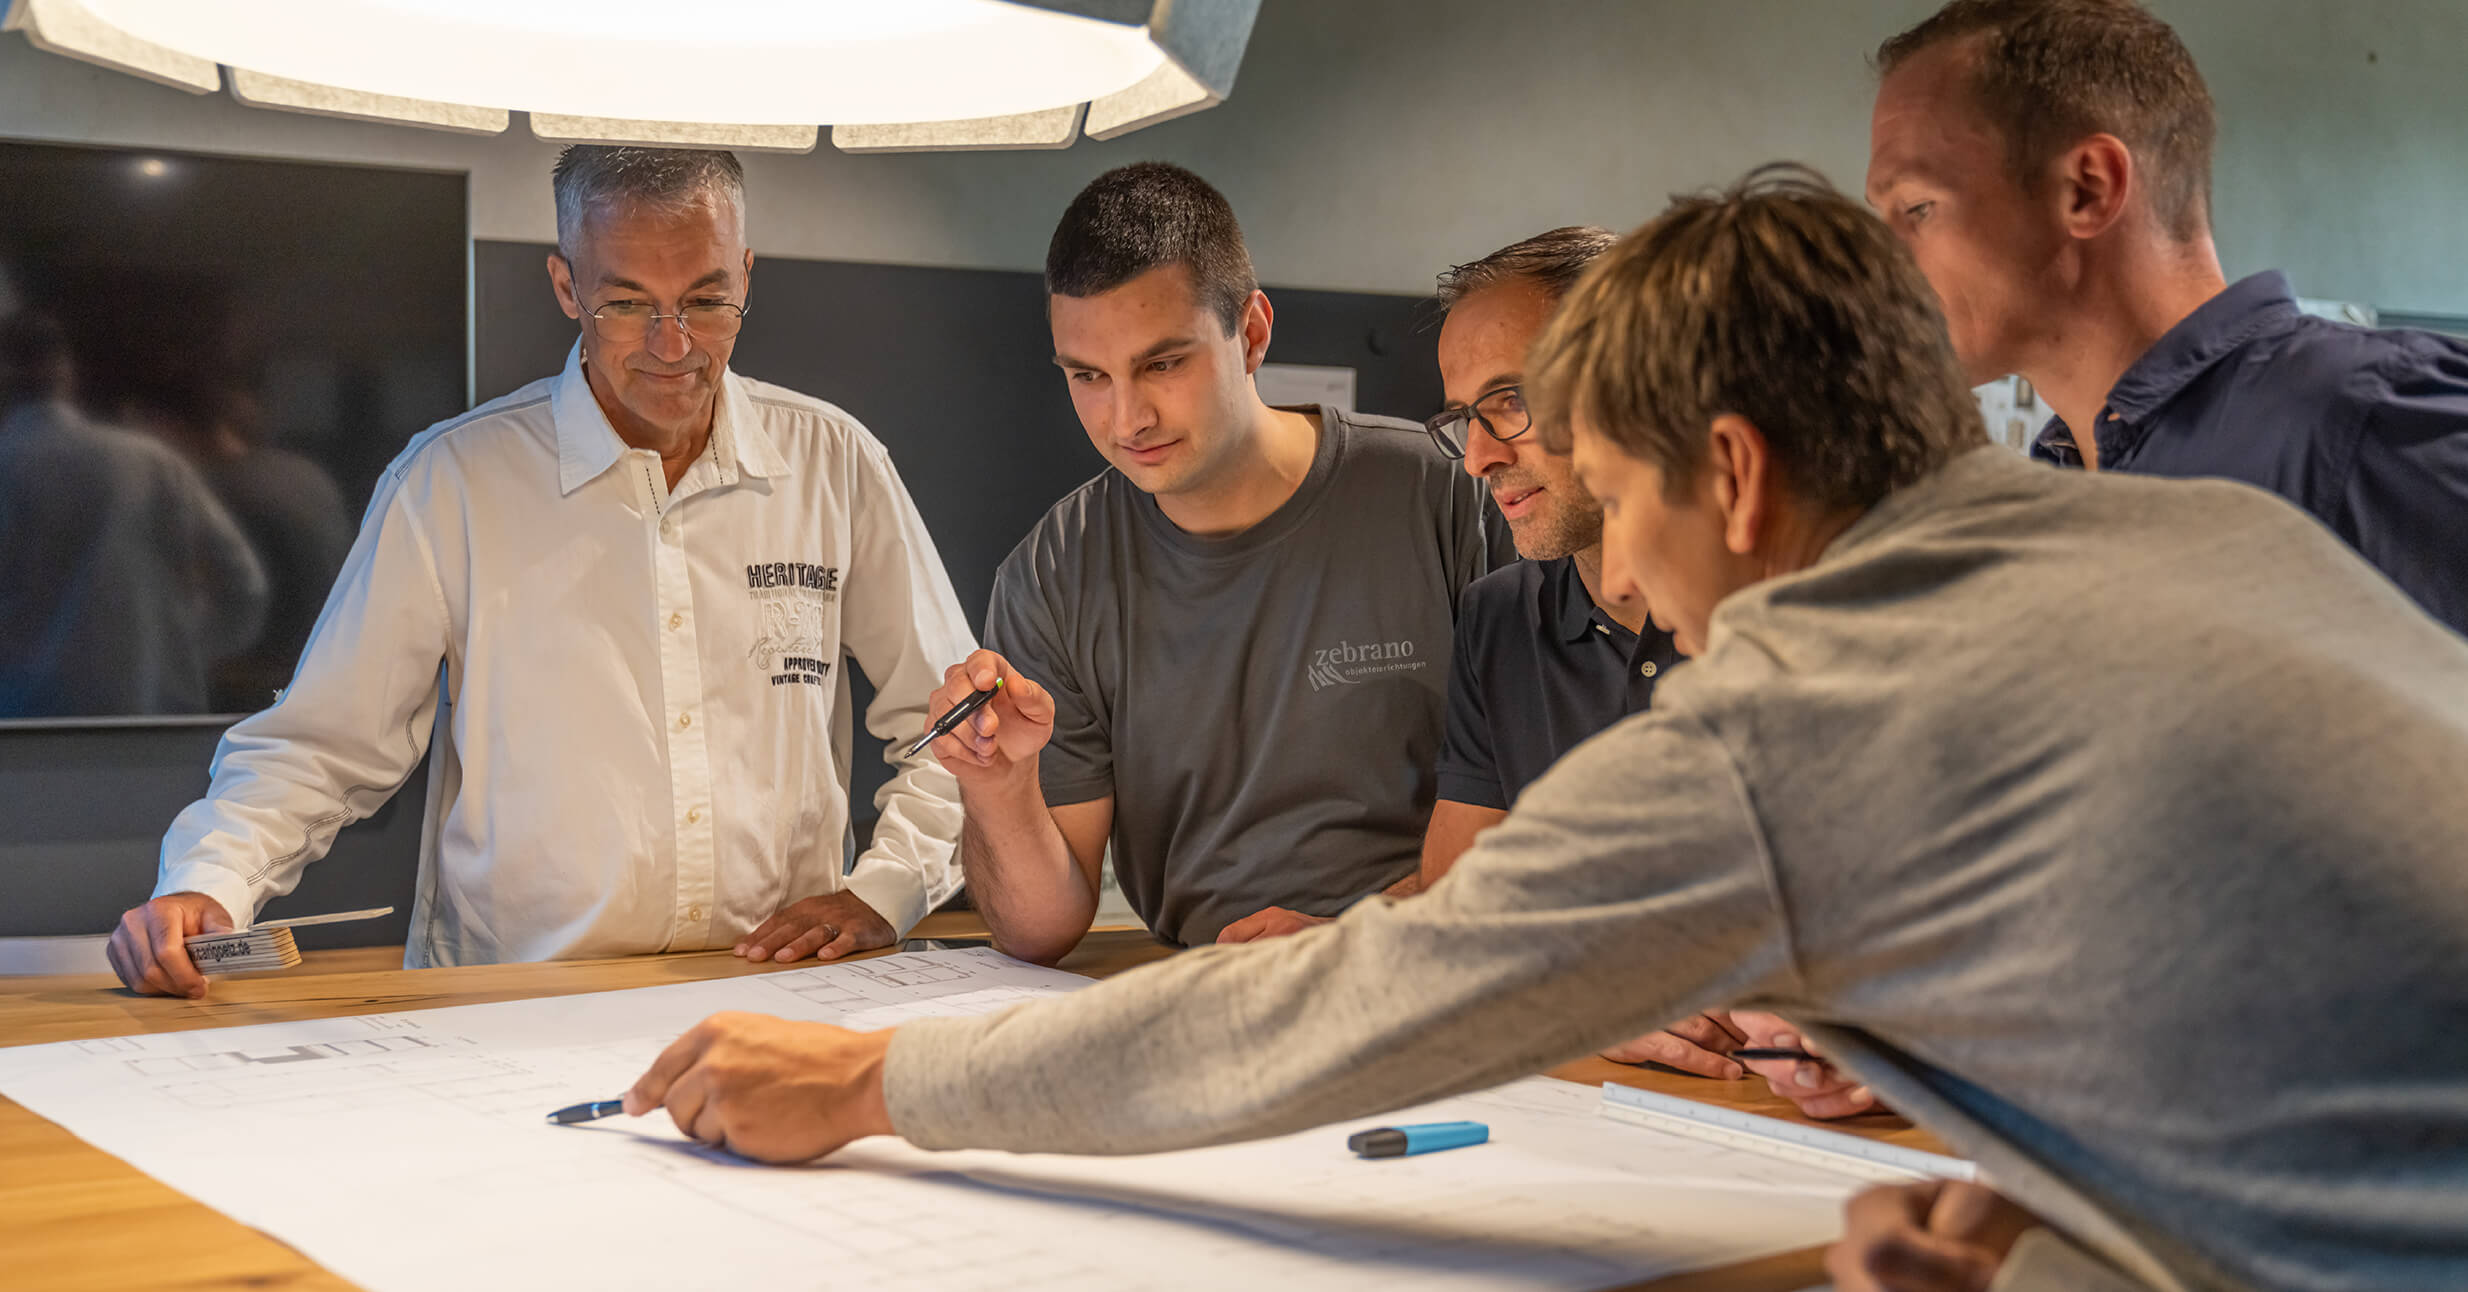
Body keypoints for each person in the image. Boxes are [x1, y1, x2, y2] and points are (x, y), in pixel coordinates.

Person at [626, 169, 2468, 1292]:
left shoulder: (1788, 722)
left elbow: (1336, 1013)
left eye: (1606, 483)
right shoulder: (2206, 533)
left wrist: (874, 1082)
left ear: (1729, 475)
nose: (1618, 571)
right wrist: (2068, 1223)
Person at [106, 146, 976, 996]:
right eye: (629, 304)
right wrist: (209, 880)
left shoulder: (834, 461)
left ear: (746, 277)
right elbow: (324, 742)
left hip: (773, 992)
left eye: (707, 301)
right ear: (567, 287)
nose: (674, 345)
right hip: (514, 997)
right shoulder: (452, 480)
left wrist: (886, 890)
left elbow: (956, 722)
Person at [921, 162, 1509, 962]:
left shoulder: (1450, 495)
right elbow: (1039, 928)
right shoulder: (1054, 572)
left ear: (1253, 333)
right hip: (1204, 991)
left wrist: (1363, 936)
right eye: (1089, 376)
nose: (1128, 418)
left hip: (1449, 965)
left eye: (1164, 363)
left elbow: (1556, 805)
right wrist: (997, 786)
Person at [1868, 0, 2468, 634]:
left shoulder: (2361, 418)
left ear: (2087, 190)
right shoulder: (2057, 485)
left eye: (1917, 209)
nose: (1878, 262)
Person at [1417, 228, 1752, 1081]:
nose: (1481, 456)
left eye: (1510, 401)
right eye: (1465, 420)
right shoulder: (1497, 618)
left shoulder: (1790, 604)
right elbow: (1455, 910)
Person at [0, 313, 269, 718]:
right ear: (67, 377)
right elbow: (245, 586)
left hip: (22, 733)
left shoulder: (8, 467)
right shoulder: (151, 461)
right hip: (153, 722)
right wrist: (176, 652)